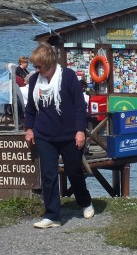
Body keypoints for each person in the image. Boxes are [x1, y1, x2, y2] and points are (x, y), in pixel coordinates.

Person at [24, 42, 94, 229]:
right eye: (35, 66)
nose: (37, 70)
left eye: (39, 66)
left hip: (69, 134)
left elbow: (80, 106)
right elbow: (30, 108)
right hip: (45, 135)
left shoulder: (68, 77)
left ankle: (85, 202)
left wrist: (80, 131)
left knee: (73, 171)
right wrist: (29, 129)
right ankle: (52, 215)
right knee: (48, 174)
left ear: (49, 64)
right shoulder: (34, 81)